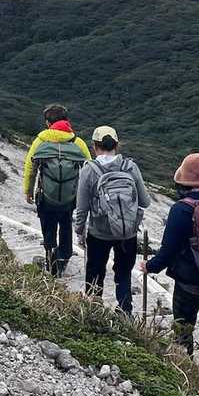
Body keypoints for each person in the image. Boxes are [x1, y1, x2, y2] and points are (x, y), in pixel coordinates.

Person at [141, 152, 199, 376]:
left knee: (183, 327)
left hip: (190, 282)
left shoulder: (182, 209)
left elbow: (168, 250)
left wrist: (149, 266)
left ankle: (185, 374)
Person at [73, 125, 150, 314]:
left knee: (95, 272)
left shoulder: (89, 170)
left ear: (94, 146)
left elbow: (81, 208)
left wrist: (79, 232)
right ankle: (125, 312)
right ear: (117, 144)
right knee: (123, 273)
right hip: (127, 232)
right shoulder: (130, 167)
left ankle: (92, 310)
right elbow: (145, 202)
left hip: (99, 232)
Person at [22, 104, 90, 276]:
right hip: (69, 197)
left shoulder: (41, 141)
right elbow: (90, 170)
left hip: (46, 196)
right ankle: (64, 256)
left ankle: (50, 255)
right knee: (66, 224)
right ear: (67, 120)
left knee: (48, 225)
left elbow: (30, 168)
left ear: (48, 123)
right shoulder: (77, 142)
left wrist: (28, 190)